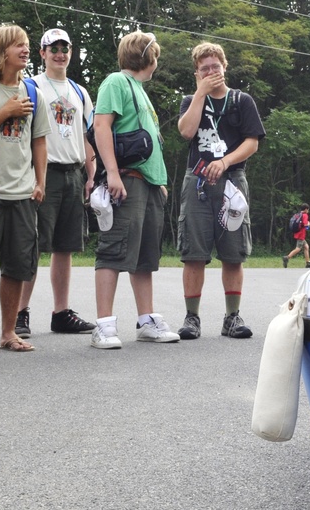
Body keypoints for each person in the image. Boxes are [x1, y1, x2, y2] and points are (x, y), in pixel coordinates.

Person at [89, 30, 178, 349]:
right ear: (148, 56)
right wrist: (112, 173)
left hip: (148, 184)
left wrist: (159, 183)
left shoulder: (139, 89)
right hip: (127, 179)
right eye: (156, 55)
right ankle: (104, 325)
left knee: (144, 256)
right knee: (113, 250)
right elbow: (101, 126)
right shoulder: (116, 81)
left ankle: (146, 321)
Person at [175, 42, 266, 340]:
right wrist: (200, 93)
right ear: (197, 74)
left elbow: (252, 142)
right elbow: (186, 131)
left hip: (232, 180)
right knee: (193, 253)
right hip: (197, 181)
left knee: (233, 252)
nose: (211, 72)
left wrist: (225, 161)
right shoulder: (191, 100)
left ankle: (232, 317)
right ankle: (192, 318)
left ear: (225, 67)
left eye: (216, 66)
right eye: (204, 69)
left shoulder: (242, 100)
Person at [0, 25, 49, 353]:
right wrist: (6, 112)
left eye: (27, 44)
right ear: (0, 52)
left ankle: (8, 333)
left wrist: (40, 181)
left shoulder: (33, 92)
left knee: (17, 267)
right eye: (18, 45)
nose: (26, 50)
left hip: (23, 194)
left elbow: (39, 141)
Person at [15, 28, 96, 338]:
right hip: (43, 173)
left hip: (73, 173)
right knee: (33, 245)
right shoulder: (31, 86)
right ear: (43, 53)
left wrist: (91, 175)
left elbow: (87, 137)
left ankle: (61, 312)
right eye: (54, 48)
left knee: (66, 246)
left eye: (65, 48)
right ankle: (19, 312)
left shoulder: (79, 91)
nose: (60, 54)